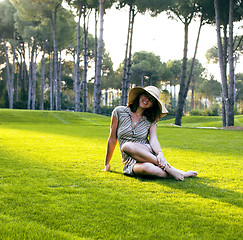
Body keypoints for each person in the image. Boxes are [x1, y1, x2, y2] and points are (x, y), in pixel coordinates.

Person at [104, 86, 198, 181]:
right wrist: (107, 163)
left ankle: (170, 169)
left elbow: (153, 140)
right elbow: (112, 138)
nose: (146, 100)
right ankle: (177, 172)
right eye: (146, 95)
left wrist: (160, 153)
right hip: (130, 161)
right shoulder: (119, 112)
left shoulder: (151, 119)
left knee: (127, 146)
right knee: (147, 167)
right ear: (140, 95)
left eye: (151, 99)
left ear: (152, 104)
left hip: (147, 152)